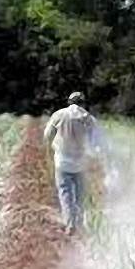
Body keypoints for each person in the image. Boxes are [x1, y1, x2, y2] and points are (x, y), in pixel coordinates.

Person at [43, 92, 100, 236]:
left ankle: (70, 223)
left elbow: (47, 135)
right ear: (83, 102)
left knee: (65, 193)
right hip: (80, 162)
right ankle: (80, 222)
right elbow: (96, 141)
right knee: (80, 194)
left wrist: (51, 148)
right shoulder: (89, 119)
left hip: (62, 161)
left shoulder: (59, 115)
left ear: (69, 102)